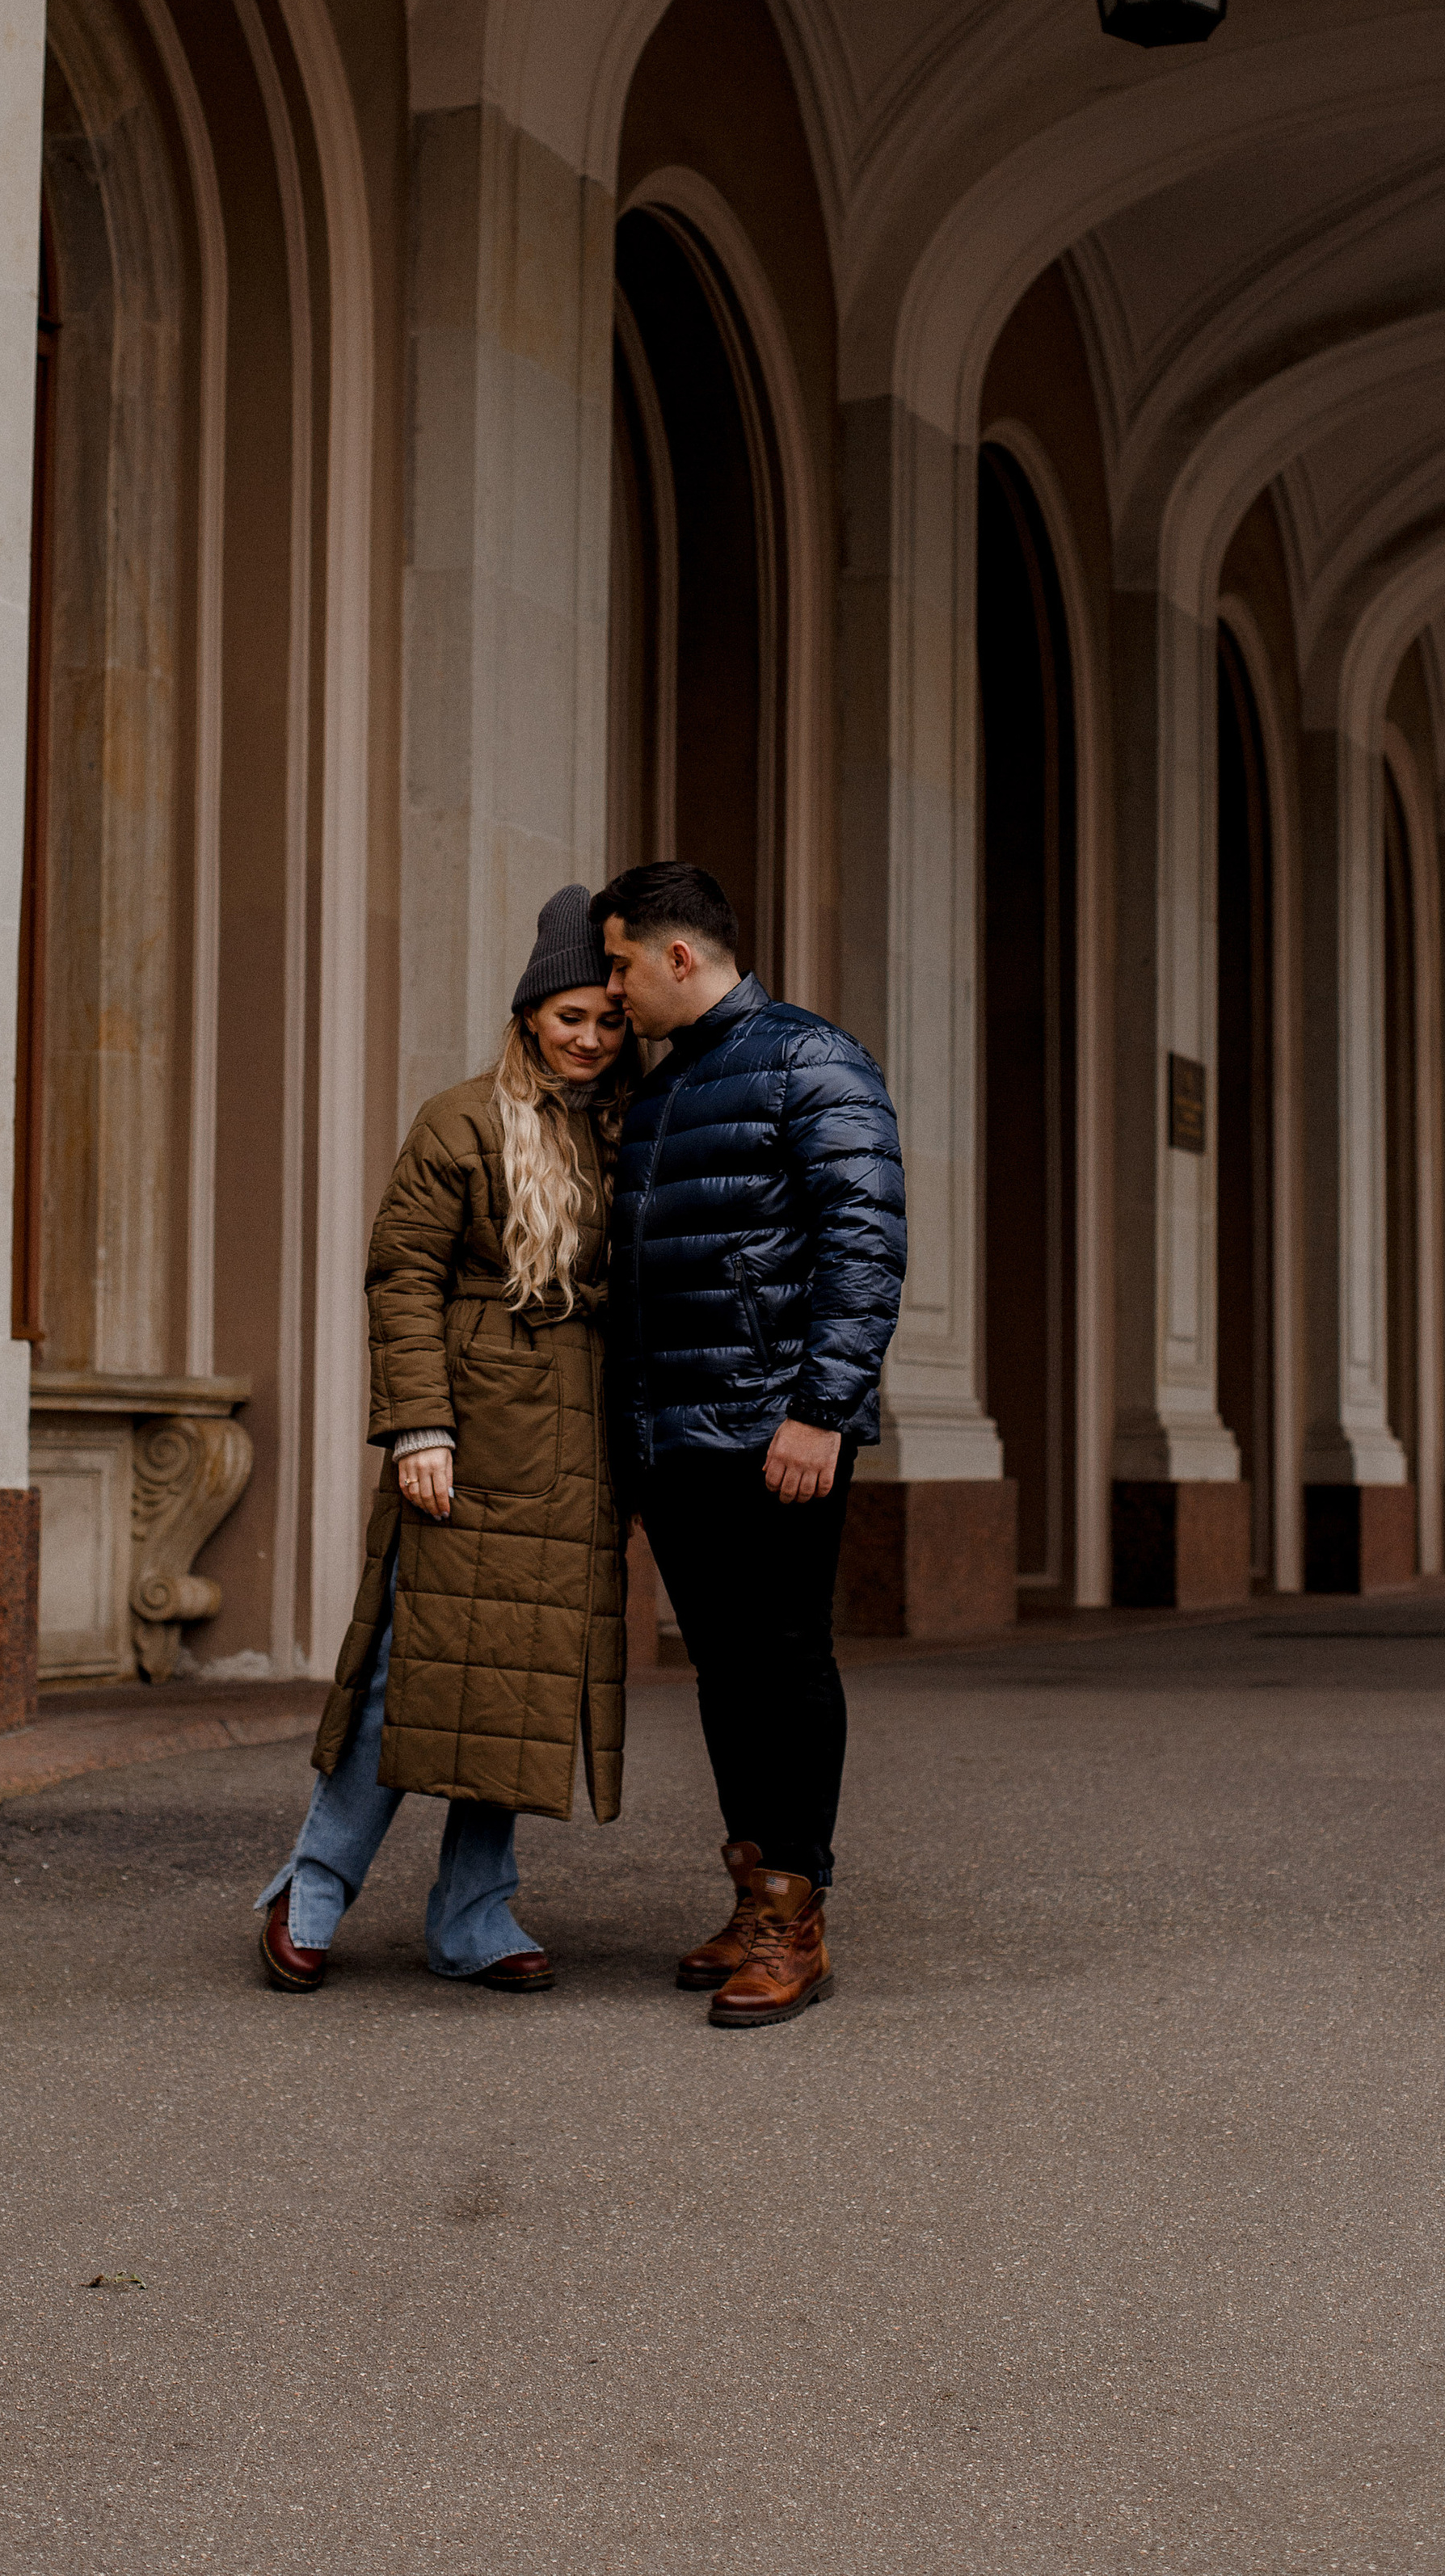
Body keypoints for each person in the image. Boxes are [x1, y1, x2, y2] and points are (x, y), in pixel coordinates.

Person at [257, 884, 634, 1995]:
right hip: (470, 1429)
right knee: (408, 1671)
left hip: (579, 1442)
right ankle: (311, 1887)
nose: (592, 1040)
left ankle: (474, 1916)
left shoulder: (626, 1126)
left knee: (518, 1684)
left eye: (609, 1022)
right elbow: (403, 1272)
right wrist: (419, 1424)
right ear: (529, 1016)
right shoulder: (461, 1118)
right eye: (572, 1018)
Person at [593, 861, 905, 2028]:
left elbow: (862, 1243)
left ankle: (798, 1914)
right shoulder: (668, 1089)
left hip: (778, 1429)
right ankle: (753, 1889)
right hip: (677, 1436)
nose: (611, 992)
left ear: (682, 958)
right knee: (726, 1670)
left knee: (785, 1658)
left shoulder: (809, 1058)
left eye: (622, 965)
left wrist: (822, 1407)